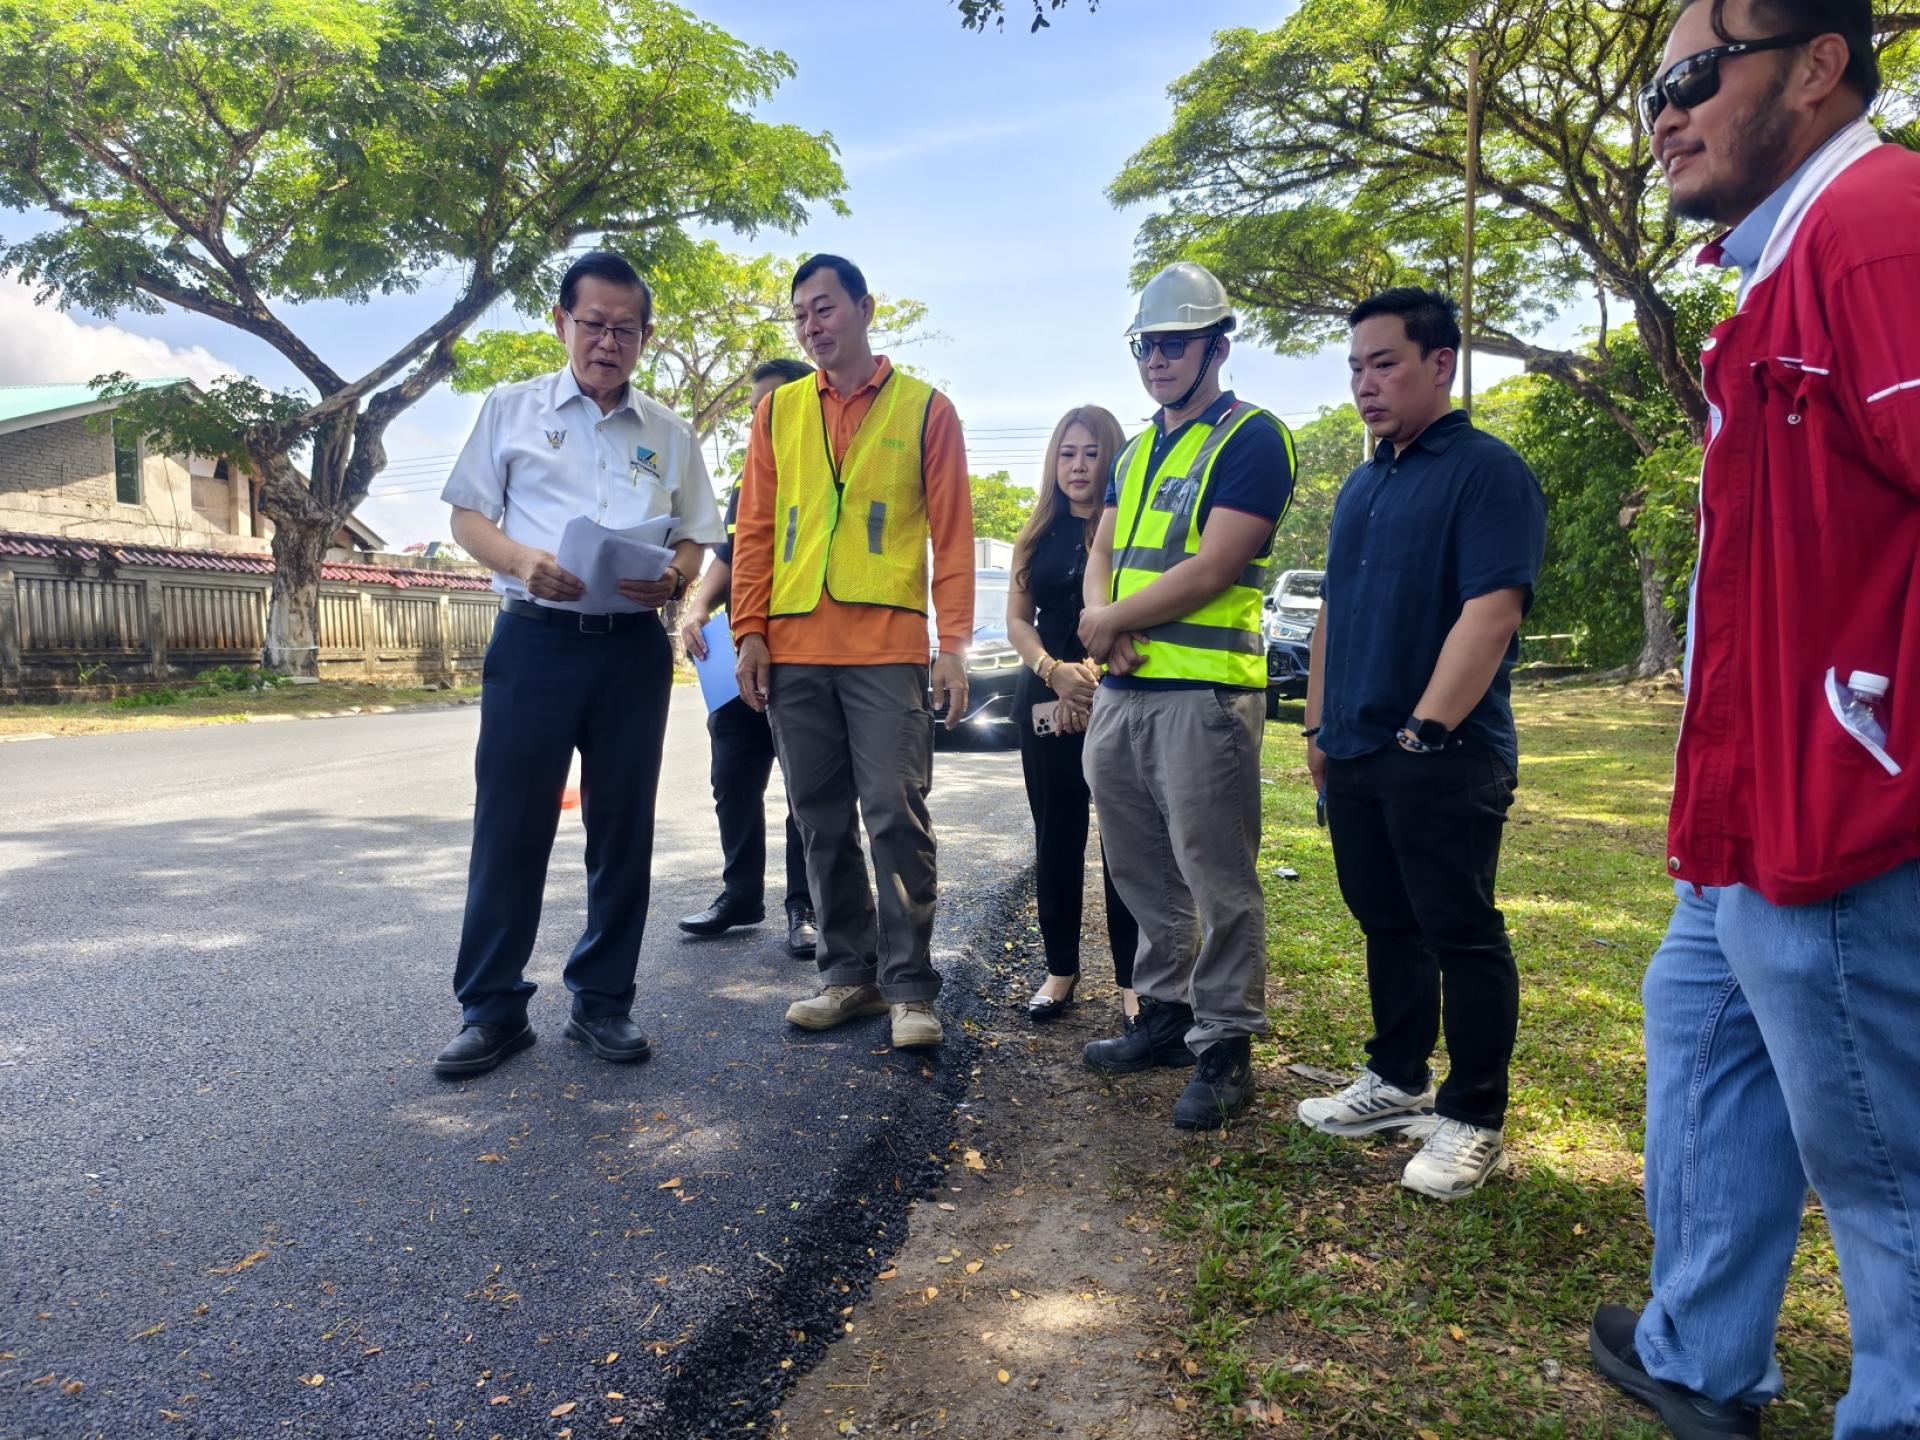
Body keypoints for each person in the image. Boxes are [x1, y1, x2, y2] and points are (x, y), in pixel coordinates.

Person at [1589, 5, 1920, 1436]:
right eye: (1651, 86)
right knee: (1701, 1043)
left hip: (1844, 812)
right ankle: (1701, 1352)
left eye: (1691, 74)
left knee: (1885, 1161)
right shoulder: (1780, 266)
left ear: (1819, 62)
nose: (1661, 112)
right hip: (1742, 812)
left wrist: (1871, 733)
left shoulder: (1882, 227)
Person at [433, 250, 723, 1079]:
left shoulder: (669, 432)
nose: (607, 341)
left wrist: (675, 577)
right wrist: (524, 562)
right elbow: (466, 518)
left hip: (630, 650)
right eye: (592, 323)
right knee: (510, 825)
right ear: (560, 322)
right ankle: (491, 1010)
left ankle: (604, 1003)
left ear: (645, 336)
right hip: (535, 639)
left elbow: (696, 531)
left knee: (622, 827)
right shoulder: (511, 409)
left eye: (624, 329)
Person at [1295, 288, 1545, 1200]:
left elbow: (1492, 611)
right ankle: (1397, 1080)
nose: (1365, 384)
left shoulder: (1486, 472)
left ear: (1442, 363)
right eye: (1356, 367)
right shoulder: (1364, 482)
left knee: (1462, 932)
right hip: (1354, 751)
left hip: (1444, 753)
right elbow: (1331, 614)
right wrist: (1320, 729)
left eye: (1384, 363)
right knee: (1385, 922)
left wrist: (1422, 732)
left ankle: (1473, 1117)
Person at [730, 254, 975, 1050]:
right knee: (819, 821)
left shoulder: (926, 410)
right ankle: (847, 977)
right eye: (800, 314)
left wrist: (954, 645)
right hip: (796, 647)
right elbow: (756, 531)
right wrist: (750, 630)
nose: (812, 325)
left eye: (825, 308)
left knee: (895, 817)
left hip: (887, 646)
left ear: (866, 309)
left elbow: (953, 535)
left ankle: (910, 989)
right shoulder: (777, 413)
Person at [1077, 261, 1296, 1131]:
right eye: (1147, 345)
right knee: (1138, 869)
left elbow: (1216, 564)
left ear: (1217, 346)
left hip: (1203, 698)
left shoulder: (1252, 437)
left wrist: (1109, 622)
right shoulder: (1136, 449)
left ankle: (1227, 1046)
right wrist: (1102, 620)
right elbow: (1100, 551)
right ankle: (1163, 1015)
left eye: (1174, 344)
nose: (1158, 359)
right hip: (1125, 693)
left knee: (1217, 877)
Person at [677, 356, 820, 958]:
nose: (763, 414)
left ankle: (804, 906)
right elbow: (729, 562)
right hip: (737, 661)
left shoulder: (822, 474)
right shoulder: (746, 484)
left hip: (804, 659)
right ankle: (741, 893)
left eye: (775, 402)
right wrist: (695, 607)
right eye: (756, 405)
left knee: (804, 792)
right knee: (732, 779)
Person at [1005, 405, 1142, 1023]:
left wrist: (1092, 679)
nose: (1078, 466)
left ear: (1110, 458)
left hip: (1118, 697)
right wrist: (1052, 672)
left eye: (1091, 453)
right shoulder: (1036, 533)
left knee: (1124, 843)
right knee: (1056, 836)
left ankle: (1133, 984)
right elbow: (1018, 620)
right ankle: (1060, 971)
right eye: (1067, 453)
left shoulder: (1131, 527)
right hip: (1044, 695)